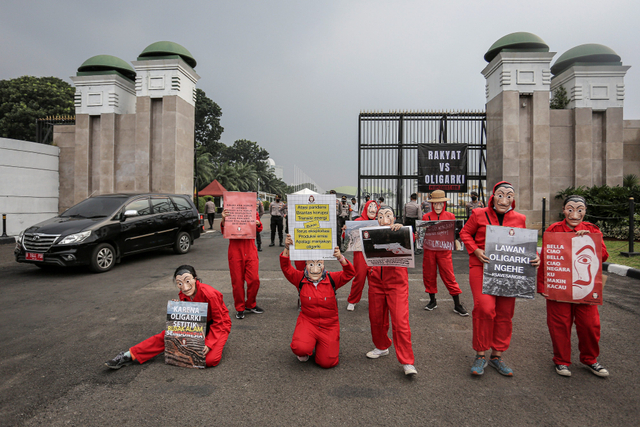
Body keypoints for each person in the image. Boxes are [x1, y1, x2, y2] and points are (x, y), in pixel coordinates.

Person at [459, 181, 540, 377]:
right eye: (501, 195)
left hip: (509, 271)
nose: (505, 200)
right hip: (482, 267)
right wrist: (476, 250)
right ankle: (480, 354)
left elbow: (523, 245)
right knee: (484, 308)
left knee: (505, 312)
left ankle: (497, 355)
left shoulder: (520, 218)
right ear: (493, 196)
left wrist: (535, 257)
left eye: (509, 196)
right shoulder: (479, 214)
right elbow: (464, 233)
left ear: (513, 199)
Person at [536, 195, 610, 377]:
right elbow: (547, 259)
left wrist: (591, 240)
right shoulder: (554, 230)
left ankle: (590, 359)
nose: (574, 214)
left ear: (585, 211)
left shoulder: (592, 230)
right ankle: (561, 361)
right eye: (570, 209)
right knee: (559, 324)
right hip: (559, 287)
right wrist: (543, 285)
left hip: (585, 287)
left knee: (590, 325)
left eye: (579, 209)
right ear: (563, 210)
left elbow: (604, 256)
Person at [105, 265, 231, 369]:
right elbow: (190, 314)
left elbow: (219, 322)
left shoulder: (210, 294)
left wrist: (209, 344)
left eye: (187, 281)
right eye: (179, 283)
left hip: (218, 324)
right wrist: (178, 307)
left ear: (195, 279)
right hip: (198, 323)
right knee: (167, 335)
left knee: (209, 360)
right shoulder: (183, 292)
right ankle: (128, 355)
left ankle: (213, 343)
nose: (185, 287)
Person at [280, 234, 355, 368]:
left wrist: (340, 258)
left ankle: (321, 343)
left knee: (327, 363)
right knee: (299, 348)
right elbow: (286, 268)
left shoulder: (332, 278)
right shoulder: (300, 279)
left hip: (329, 325)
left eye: (319, 264)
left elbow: (350, 273)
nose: (315, 269)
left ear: (324, 264)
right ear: (306, 265)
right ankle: (307, 344)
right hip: (308, 321)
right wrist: (287, 248)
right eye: (311, 264)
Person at [366, 205, 417, 376]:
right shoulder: (371, 233)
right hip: (375, 281)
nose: (384, 219)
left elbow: (414, 239)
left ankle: (407, 361)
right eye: (380, 216)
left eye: (388, 215)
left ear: (394, 218)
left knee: (400, 322)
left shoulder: (400, 232)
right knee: (376, 318)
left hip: (397, 283)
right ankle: (381, 346)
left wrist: (402, 230)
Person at [421, 190, 468, 316]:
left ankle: (457, 305)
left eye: (440, 203)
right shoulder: (426, 217)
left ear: (444, 204)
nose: (437, 206)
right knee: (429, 275)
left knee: (449, 276)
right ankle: (432, 301)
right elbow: (422, 235)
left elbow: (454, 234)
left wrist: (459, 238)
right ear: (432, 204)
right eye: (435, 204)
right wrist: (419, 236)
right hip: (430, 251)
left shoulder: (450, 216)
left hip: (444, 252)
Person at [221, 206, 264, 319]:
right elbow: (224, 231)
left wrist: (258, 223)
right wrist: (223, 219)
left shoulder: (252, 211)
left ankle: (250, 304)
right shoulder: (229, 212)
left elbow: (259, 229)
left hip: (250, 250)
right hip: (235, 251)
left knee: (254, 280)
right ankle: (240, 308)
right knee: (237, 282)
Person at [345, 200, 378, 311]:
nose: (373, 208)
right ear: (366, 208)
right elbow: (349, 236)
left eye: (375, 206)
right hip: (360, 254)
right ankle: (352, 300)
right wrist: (346, 230)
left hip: (374, 254)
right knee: (359, 278)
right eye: (371, 206)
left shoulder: (379, 222)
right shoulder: (357, 221)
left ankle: (374, 301)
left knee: (374, 279)